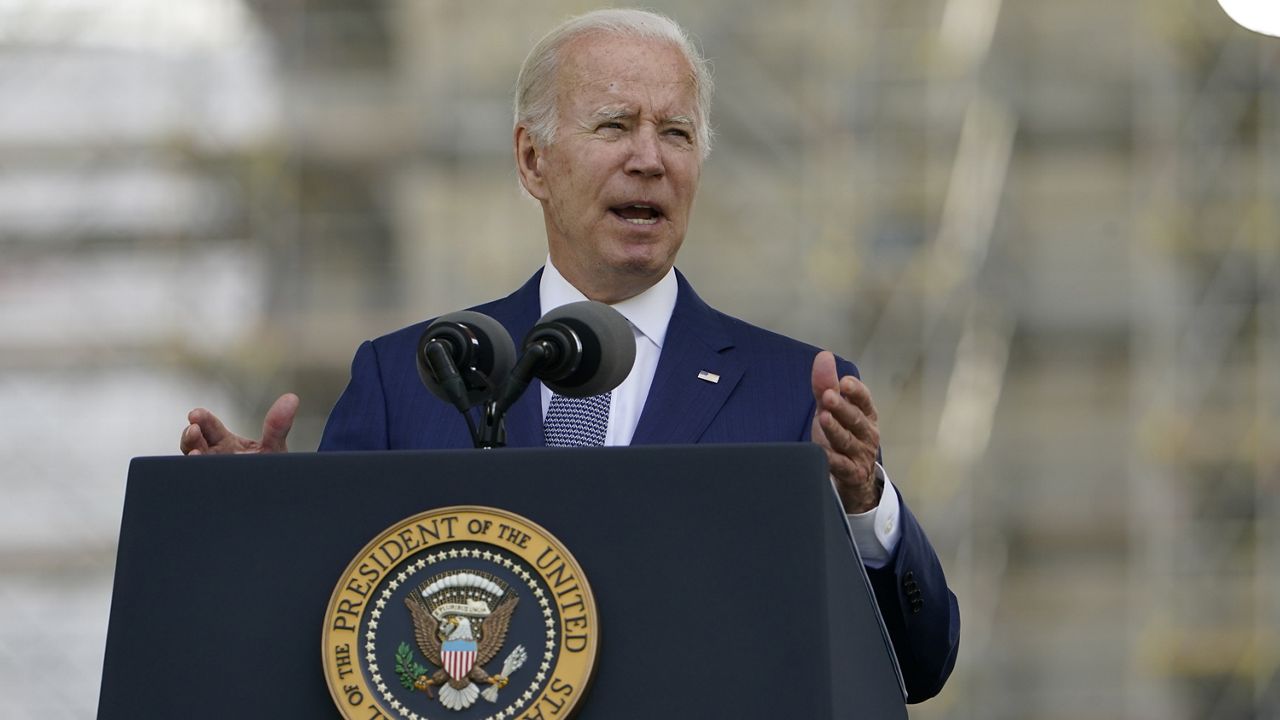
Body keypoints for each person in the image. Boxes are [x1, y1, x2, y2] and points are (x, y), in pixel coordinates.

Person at [180, 8, 959, 701]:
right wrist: (256, 524)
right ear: (532, 161)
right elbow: (332, 643)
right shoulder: (411, 379)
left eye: (677, 133)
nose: (650, 159)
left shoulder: (796, 392)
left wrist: (863, 505)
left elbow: (917, 667)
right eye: (615, 126)